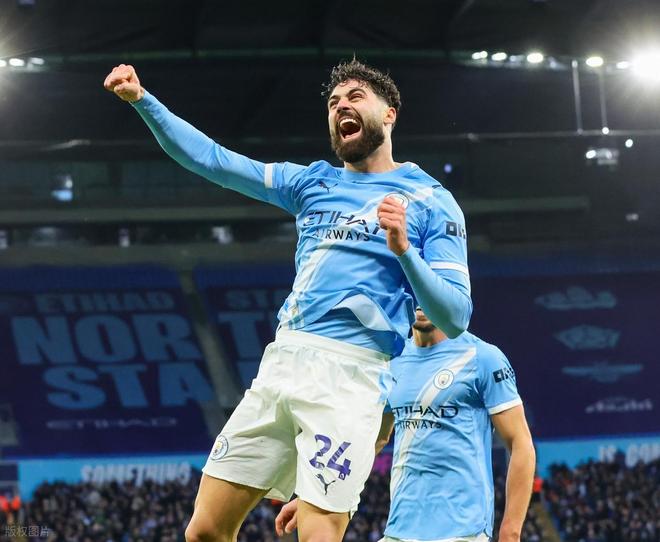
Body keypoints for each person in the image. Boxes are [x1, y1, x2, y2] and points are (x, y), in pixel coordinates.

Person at [103, 59, 472, 542]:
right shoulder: (311, 182)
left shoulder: (431, 200)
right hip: (282, 364)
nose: (341, 106)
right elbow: (212, 159)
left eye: (356, 97)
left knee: (317, 535)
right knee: (205, 530)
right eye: (333, 102)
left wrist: (404, 251)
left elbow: (455, 316)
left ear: (390, 114)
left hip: (352, 377)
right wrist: (142, 101)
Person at [276, 307, 535, 542]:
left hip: (463, 530)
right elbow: (373, 441)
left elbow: (520, 443)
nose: (421, 300)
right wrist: (318, 498)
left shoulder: (483, 358)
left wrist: (510, 533)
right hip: (399, 530)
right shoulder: (392, 362)